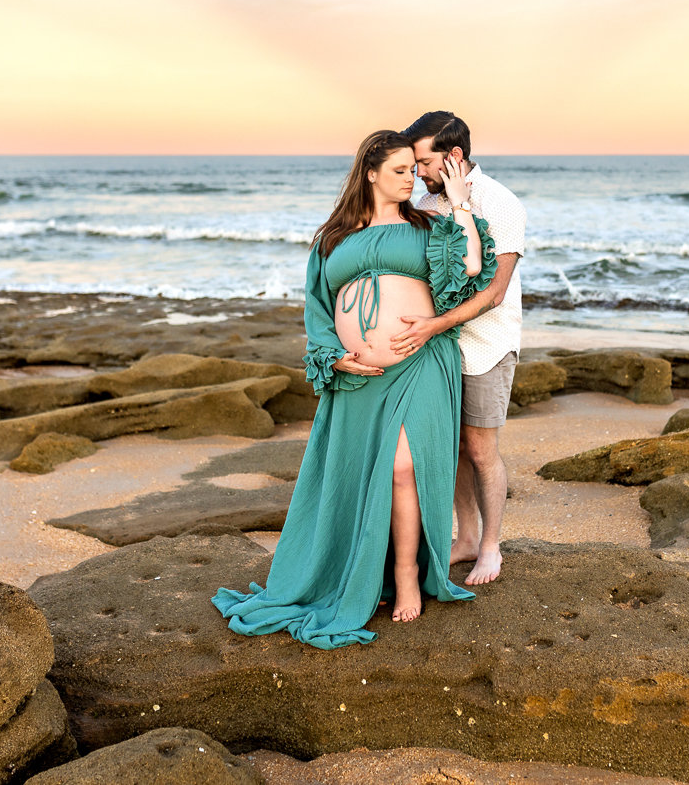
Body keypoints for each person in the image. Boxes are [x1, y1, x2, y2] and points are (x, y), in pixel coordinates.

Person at [211, 130, 495, 649]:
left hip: (419, 363)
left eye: (415, 169)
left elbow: (471, 271)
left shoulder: (430, 226)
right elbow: (317, 311)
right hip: (356, 377)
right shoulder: (332, 238)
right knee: (364, 477)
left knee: (403, 467)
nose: (412, 179)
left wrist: (459, 206)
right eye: (400, 171)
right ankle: (364, 574)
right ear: (369, 172)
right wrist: (334, 354)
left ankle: (407, 575)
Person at [391, 111, 527, 586]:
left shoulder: (501, 203)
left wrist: (433, 325)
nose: (418, 173)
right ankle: (465, 537)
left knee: (481, 450)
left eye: (424, 162)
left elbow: (493, 292)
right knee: (452, 451)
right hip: (438, 346)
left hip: (485, 346)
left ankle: (491, 547)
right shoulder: (428, 202)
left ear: (454, 155)